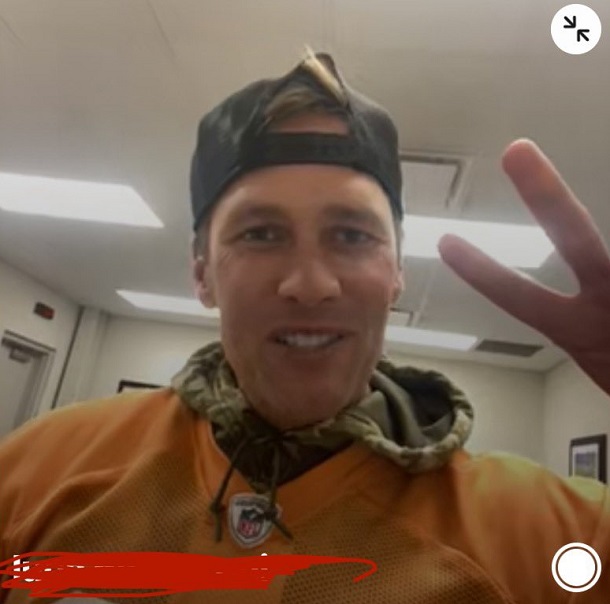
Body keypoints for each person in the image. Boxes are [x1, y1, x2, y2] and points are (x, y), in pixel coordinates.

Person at [1, 49, 609, 604]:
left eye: (351, 235)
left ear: (397, 271)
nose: (310, 284)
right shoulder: (39, 473)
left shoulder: (547, 538)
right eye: (261, 233)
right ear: (202, 272)